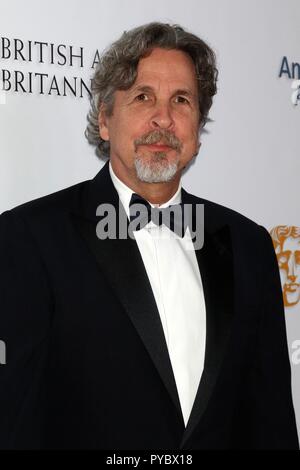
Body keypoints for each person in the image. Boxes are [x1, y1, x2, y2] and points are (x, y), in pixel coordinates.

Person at [0, 22, 298, 450]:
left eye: (181, 100)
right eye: (143, 97)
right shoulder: (31, 238)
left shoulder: (249, 245)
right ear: (105, 119)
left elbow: (272, 425)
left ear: (198, 125)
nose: (164, 118)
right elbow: (13, 423)